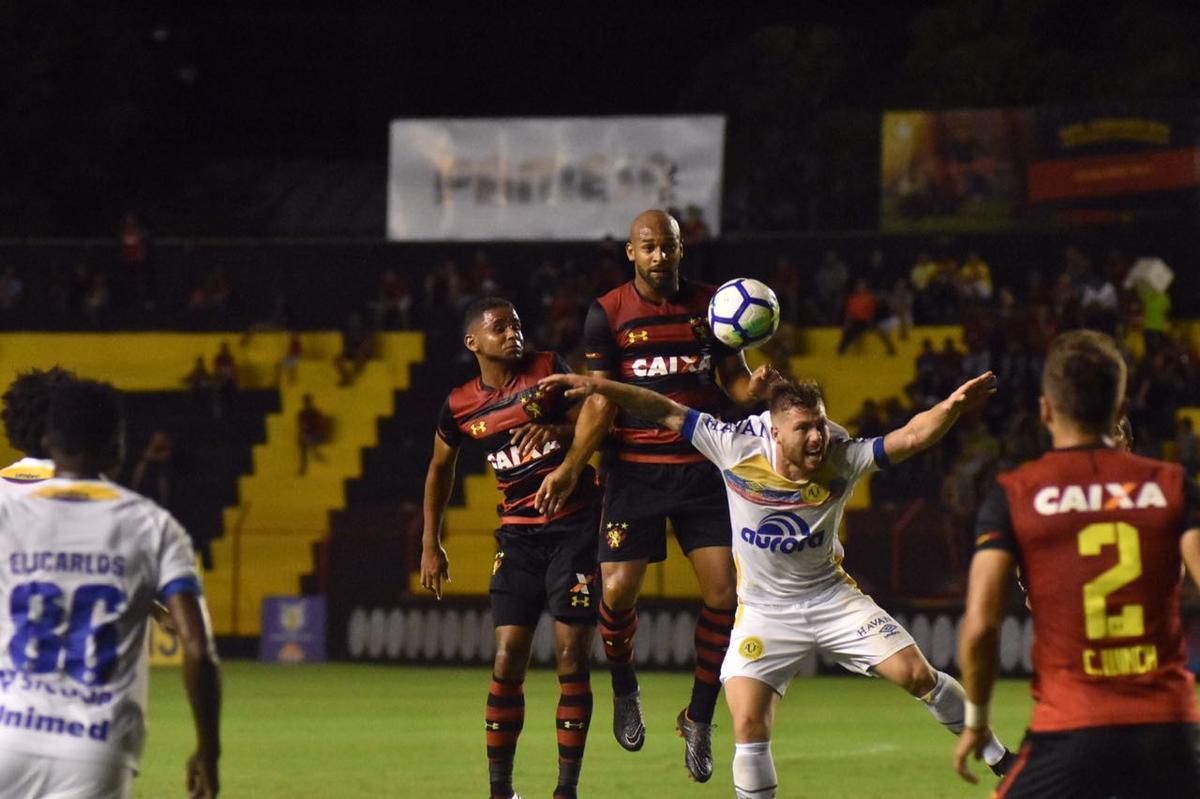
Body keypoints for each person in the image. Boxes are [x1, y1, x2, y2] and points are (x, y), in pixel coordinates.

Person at [537, 367, 1013, 797]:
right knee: (747, 723)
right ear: (775, 430)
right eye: (803, 428)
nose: (816, 438)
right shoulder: (735, 446)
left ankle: (1000, 758)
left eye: (820, 425)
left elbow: (909, 438)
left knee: (917, 676)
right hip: (763, 612)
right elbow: (662, 408)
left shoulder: (842, 457)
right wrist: (600, 386)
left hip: (831, 597)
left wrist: (950, 408)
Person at [533, 209, 776, 783]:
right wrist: (573, 465)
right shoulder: (607, 313)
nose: (659, 255)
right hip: (635, 473)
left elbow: (734, 380)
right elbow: (600, 399)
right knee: (615, 595)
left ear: (680, 249)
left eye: (668, 246)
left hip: (702, 468)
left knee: (725, 593)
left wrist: (755, 388)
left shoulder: (714, 304)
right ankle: (624, 684)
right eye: (649, 247)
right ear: (631, 252)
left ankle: (698, 716)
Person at [955, 330, 1200, 796]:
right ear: (1118, 406)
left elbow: (981, 626)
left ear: (1046, 409)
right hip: (1167, 725)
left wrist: (977, 722)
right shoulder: (1173, 485)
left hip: (1070, 725)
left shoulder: (1016, 494)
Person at [0, 378, 221, 798]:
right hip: (96, 744)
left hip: (8, 729)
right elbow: (197, 646)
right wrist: (209, 750)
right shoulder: (148, 523)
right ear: (117, 445)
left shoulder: (8, 506)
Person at [420, 297, 602, 799]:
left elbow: (598, 419)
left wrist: (560, 429)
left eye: (517, 324)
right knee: (506, 658)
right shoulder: (459, 404)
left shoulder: (547, 369)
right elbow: (439, 467)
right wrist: (430, 544)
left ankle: (566, 790)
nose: (512, 333)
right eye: (500, 327)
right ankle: (501, 791)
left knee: (571, 657)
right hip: (518, 536)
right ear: (473, 342)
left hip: (575, 528)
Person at [297, 394, 328, 476]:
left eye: (308, 402)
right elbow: (300, 427)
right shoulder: (302, 413)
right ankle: (305, 465)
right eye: (306, 402)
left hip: (315, 435)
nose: (307, 404)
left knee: (306, 444)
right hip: (308, 436)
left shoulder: (315, 413)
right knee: (304, 445)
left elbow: (321, 425)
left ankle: (305, 465)